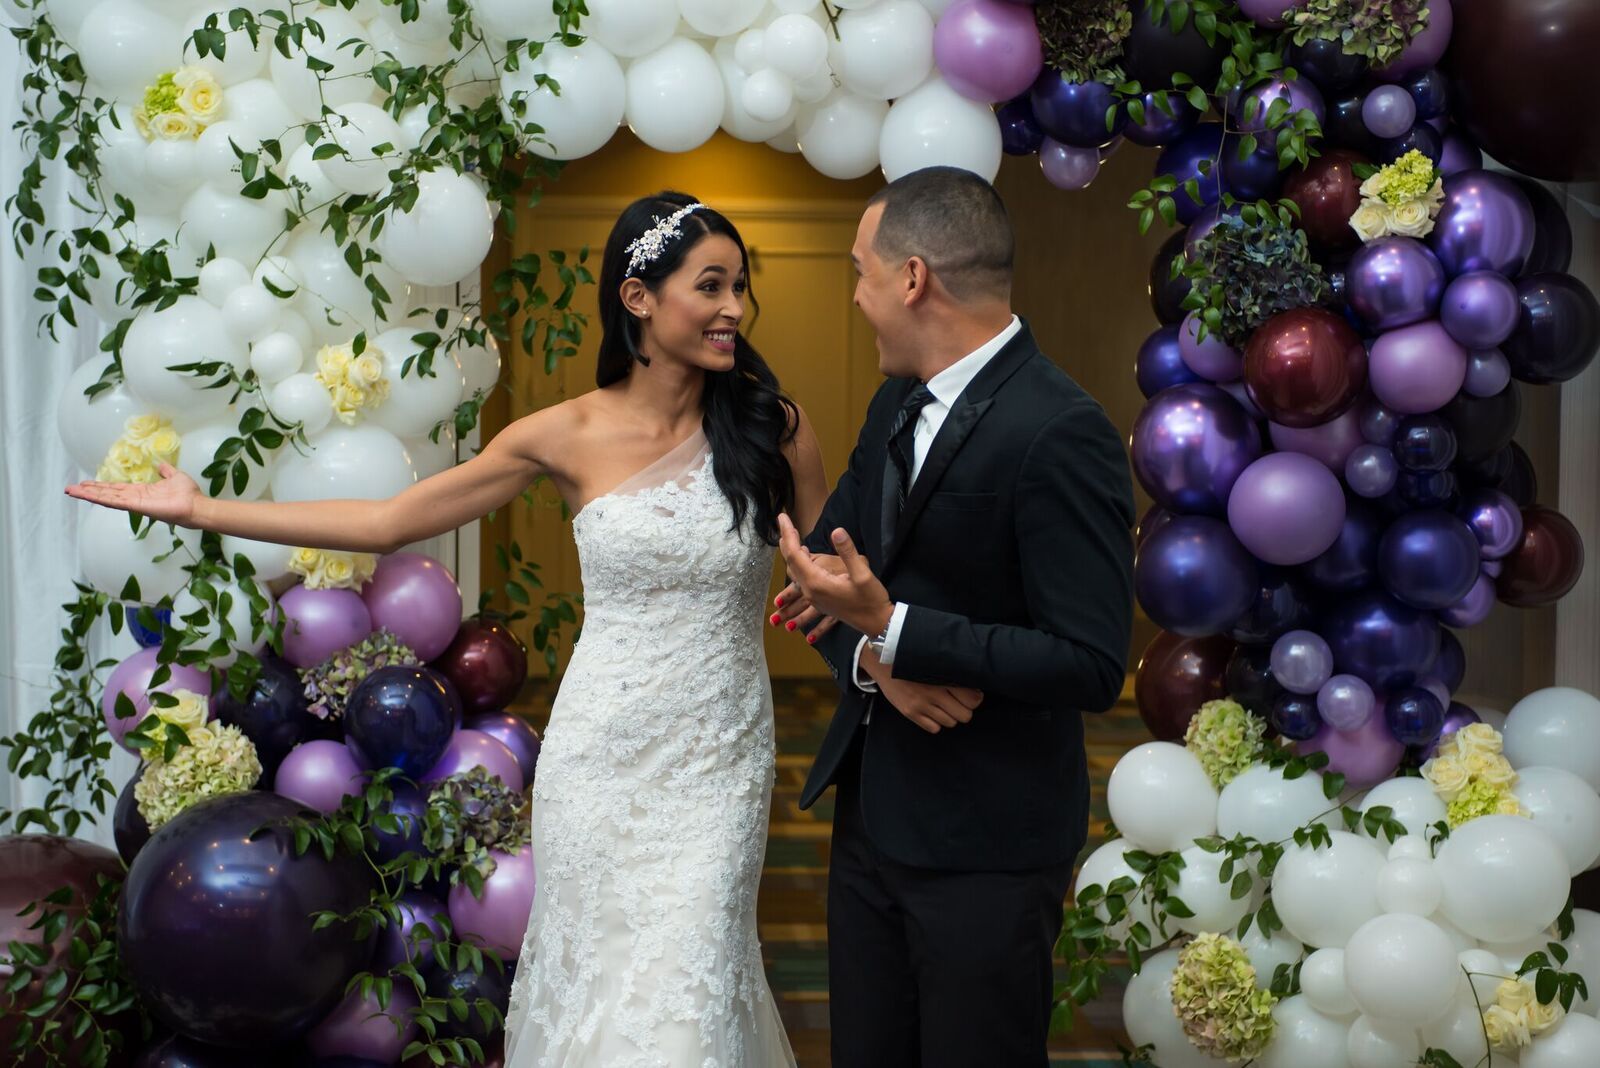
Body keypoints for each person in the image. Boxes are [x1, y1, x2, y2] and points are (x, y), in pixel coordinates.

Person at [66, 192, 818, 1067]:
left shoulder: (774, 428)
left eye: (742, 287)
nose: (735, 309)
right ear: (638, 297)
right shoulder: (564, 434)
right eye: (713, 285)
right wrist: (205, 508)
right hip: (603, 755)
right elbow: (390, 520)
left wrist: (832, 597)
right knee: (605, 982)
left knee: (694, 971)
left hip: (718, 758)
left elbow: (836, 570)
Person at [771, 166, 1135, 1067]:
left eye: (860, 272)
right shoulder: (895, 399)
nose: (854, 297)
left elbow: (1091, 659)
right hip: (874, 819)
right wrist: (875, 658)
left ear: (912, 277)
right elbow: (830, 570)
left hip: (990, 844)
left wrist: (895, 626)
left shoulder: (1061, 428)